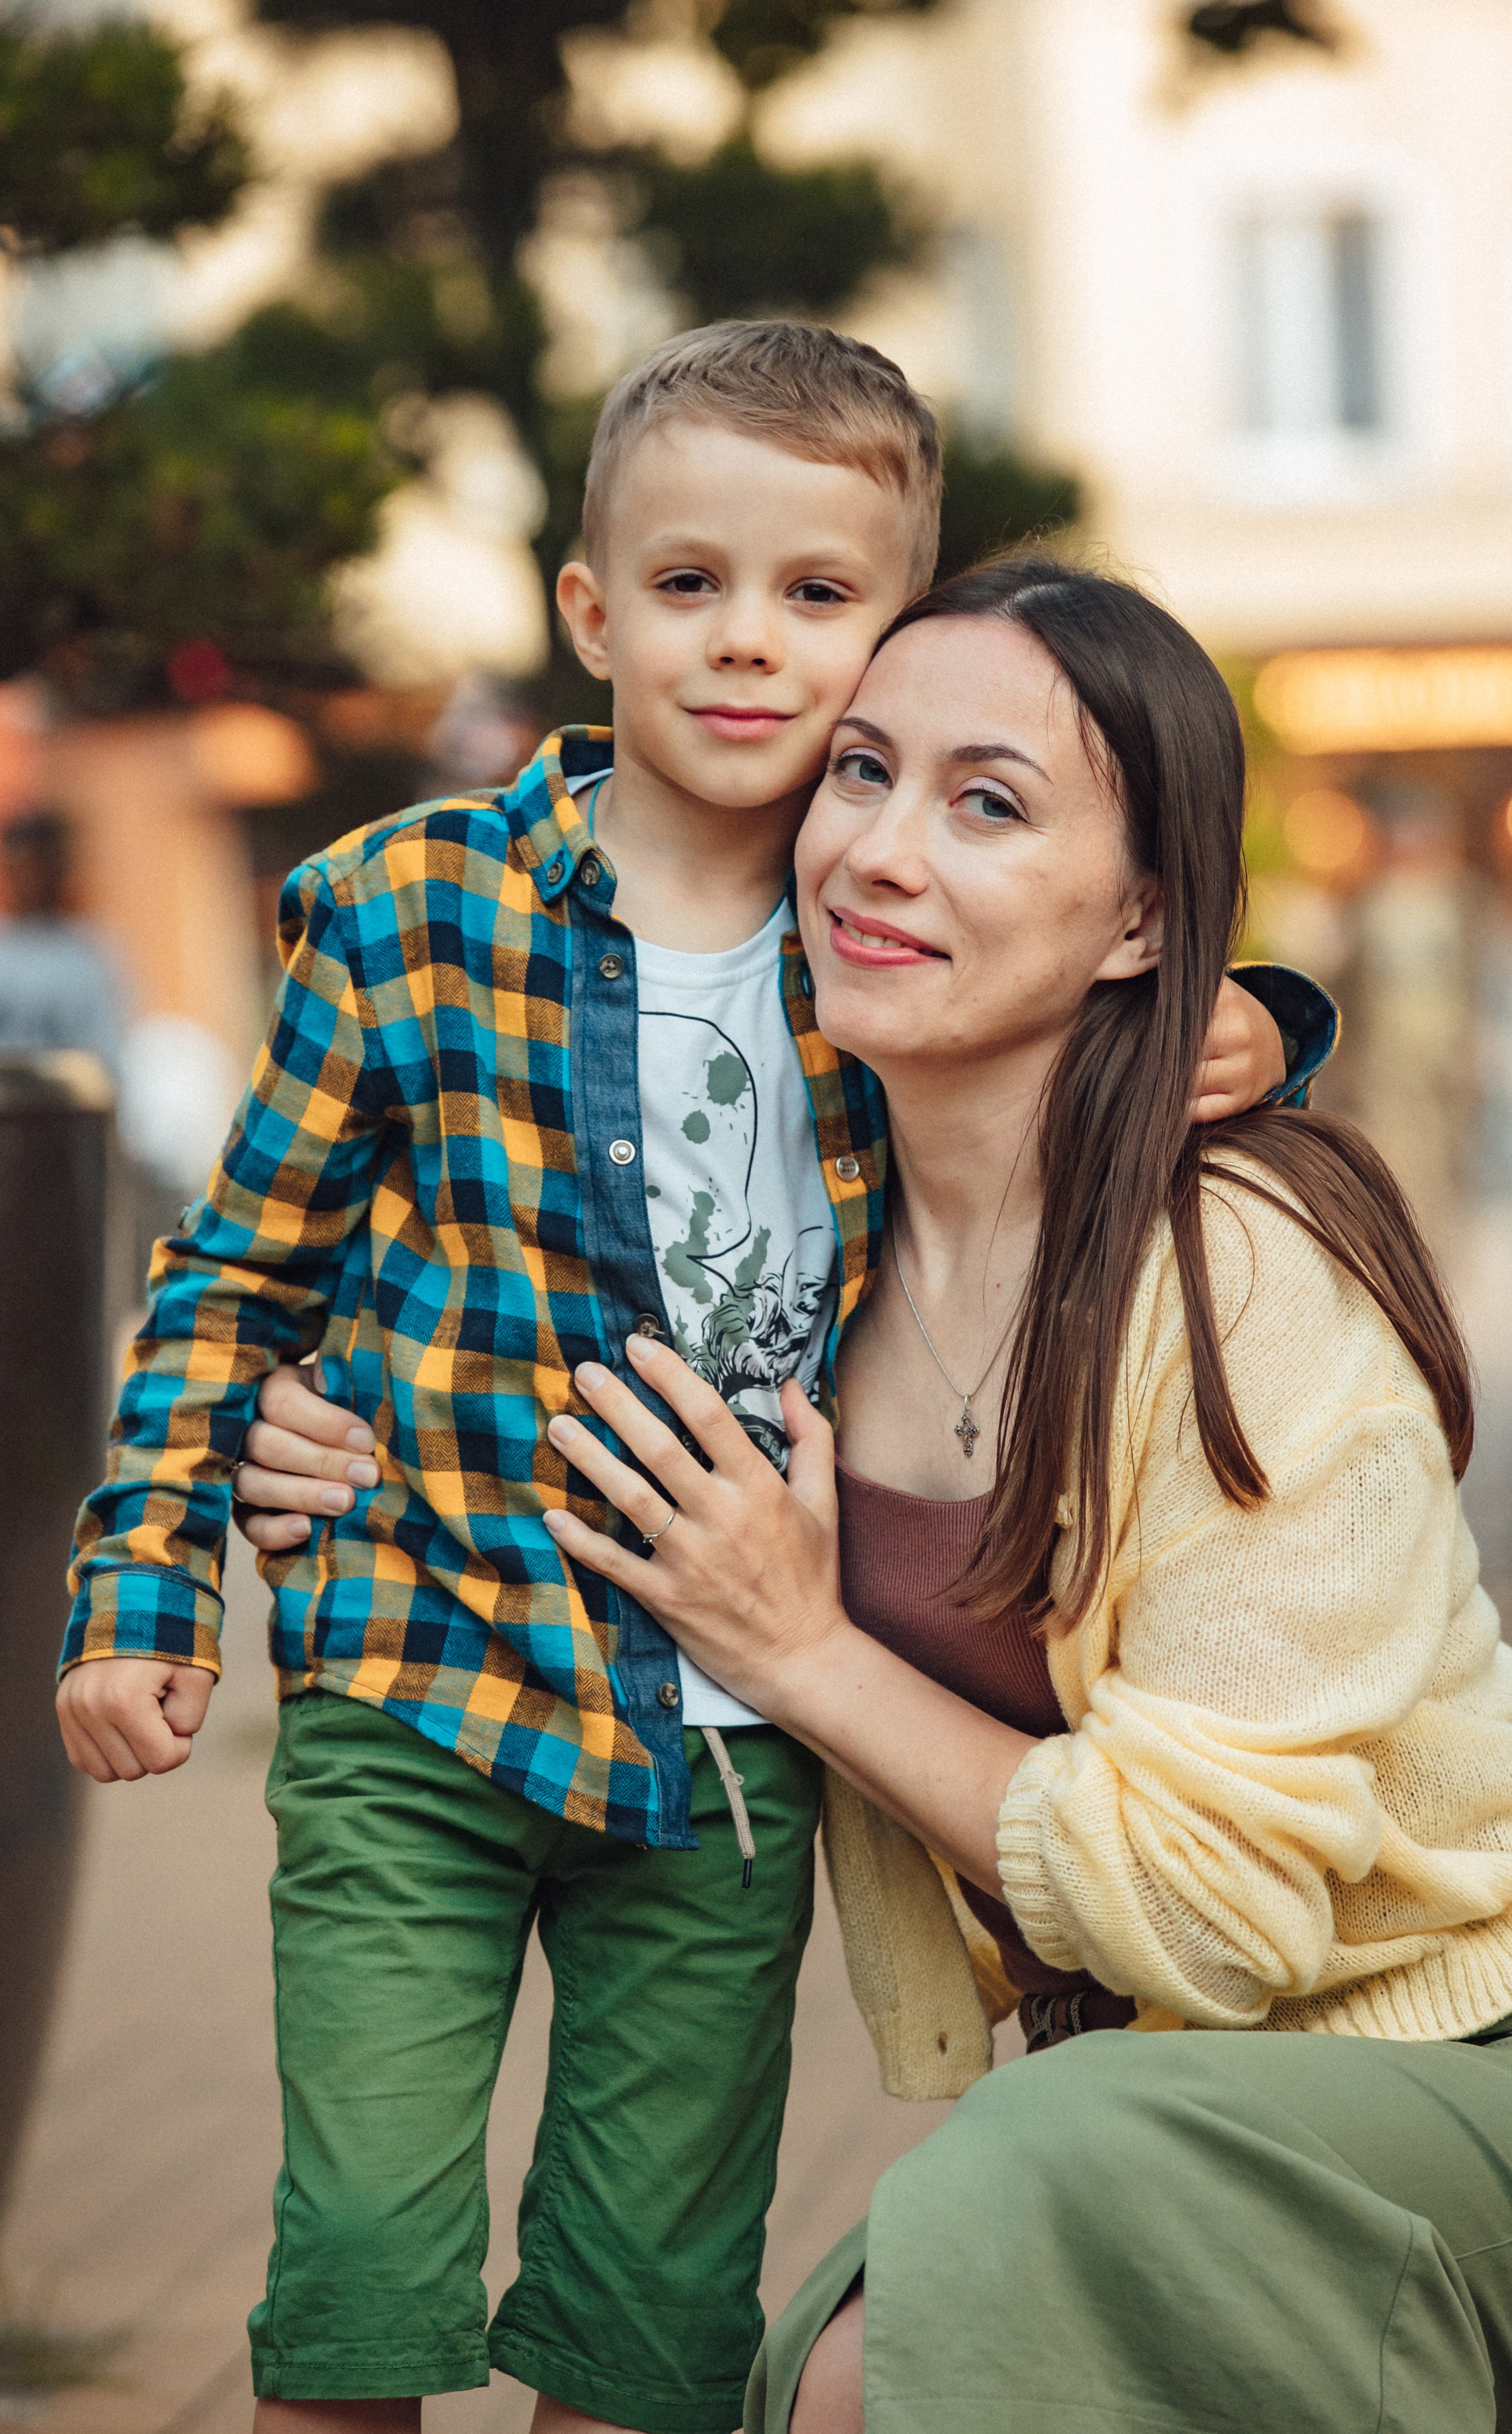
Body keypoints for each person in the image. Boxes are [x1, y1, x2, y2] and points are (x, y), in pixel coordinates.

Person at [54, 326, 1318, 2434]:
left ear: (894, 643)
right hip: (423, 1670)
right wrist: (143, 1589)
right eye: (687, 584)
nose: (747, 642)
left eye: (817, 596)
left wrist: (1266, 1016)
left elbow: (1108, 978)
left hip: (725, 1746)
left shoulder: (889, 938)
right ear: (590, 612)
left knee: (652, 2315)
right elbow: (237, 1268)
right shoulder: (408, 908)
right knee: (359, 2273)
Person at [492, 558, 1512, 2434]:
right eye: (859, 773)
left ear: (1139, 917)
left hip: (1506, 2070)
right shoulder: (802, 1262)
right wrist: (307, 1428)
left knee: (925, 2307)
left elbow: (1216, 1904)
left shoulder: (1235, 1259)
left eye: (988, 804)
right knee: (848, 2353)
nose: (879, 851)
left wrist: (803, 1651)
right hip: (1147, 2112)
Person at [0, 812, 125, 1075]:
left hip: (59, 1098)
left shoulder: (86, 957)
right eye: (18, 866)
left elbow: (103, 1064)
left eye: (37, 866)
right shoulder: (6, 949)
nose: (28, 879)